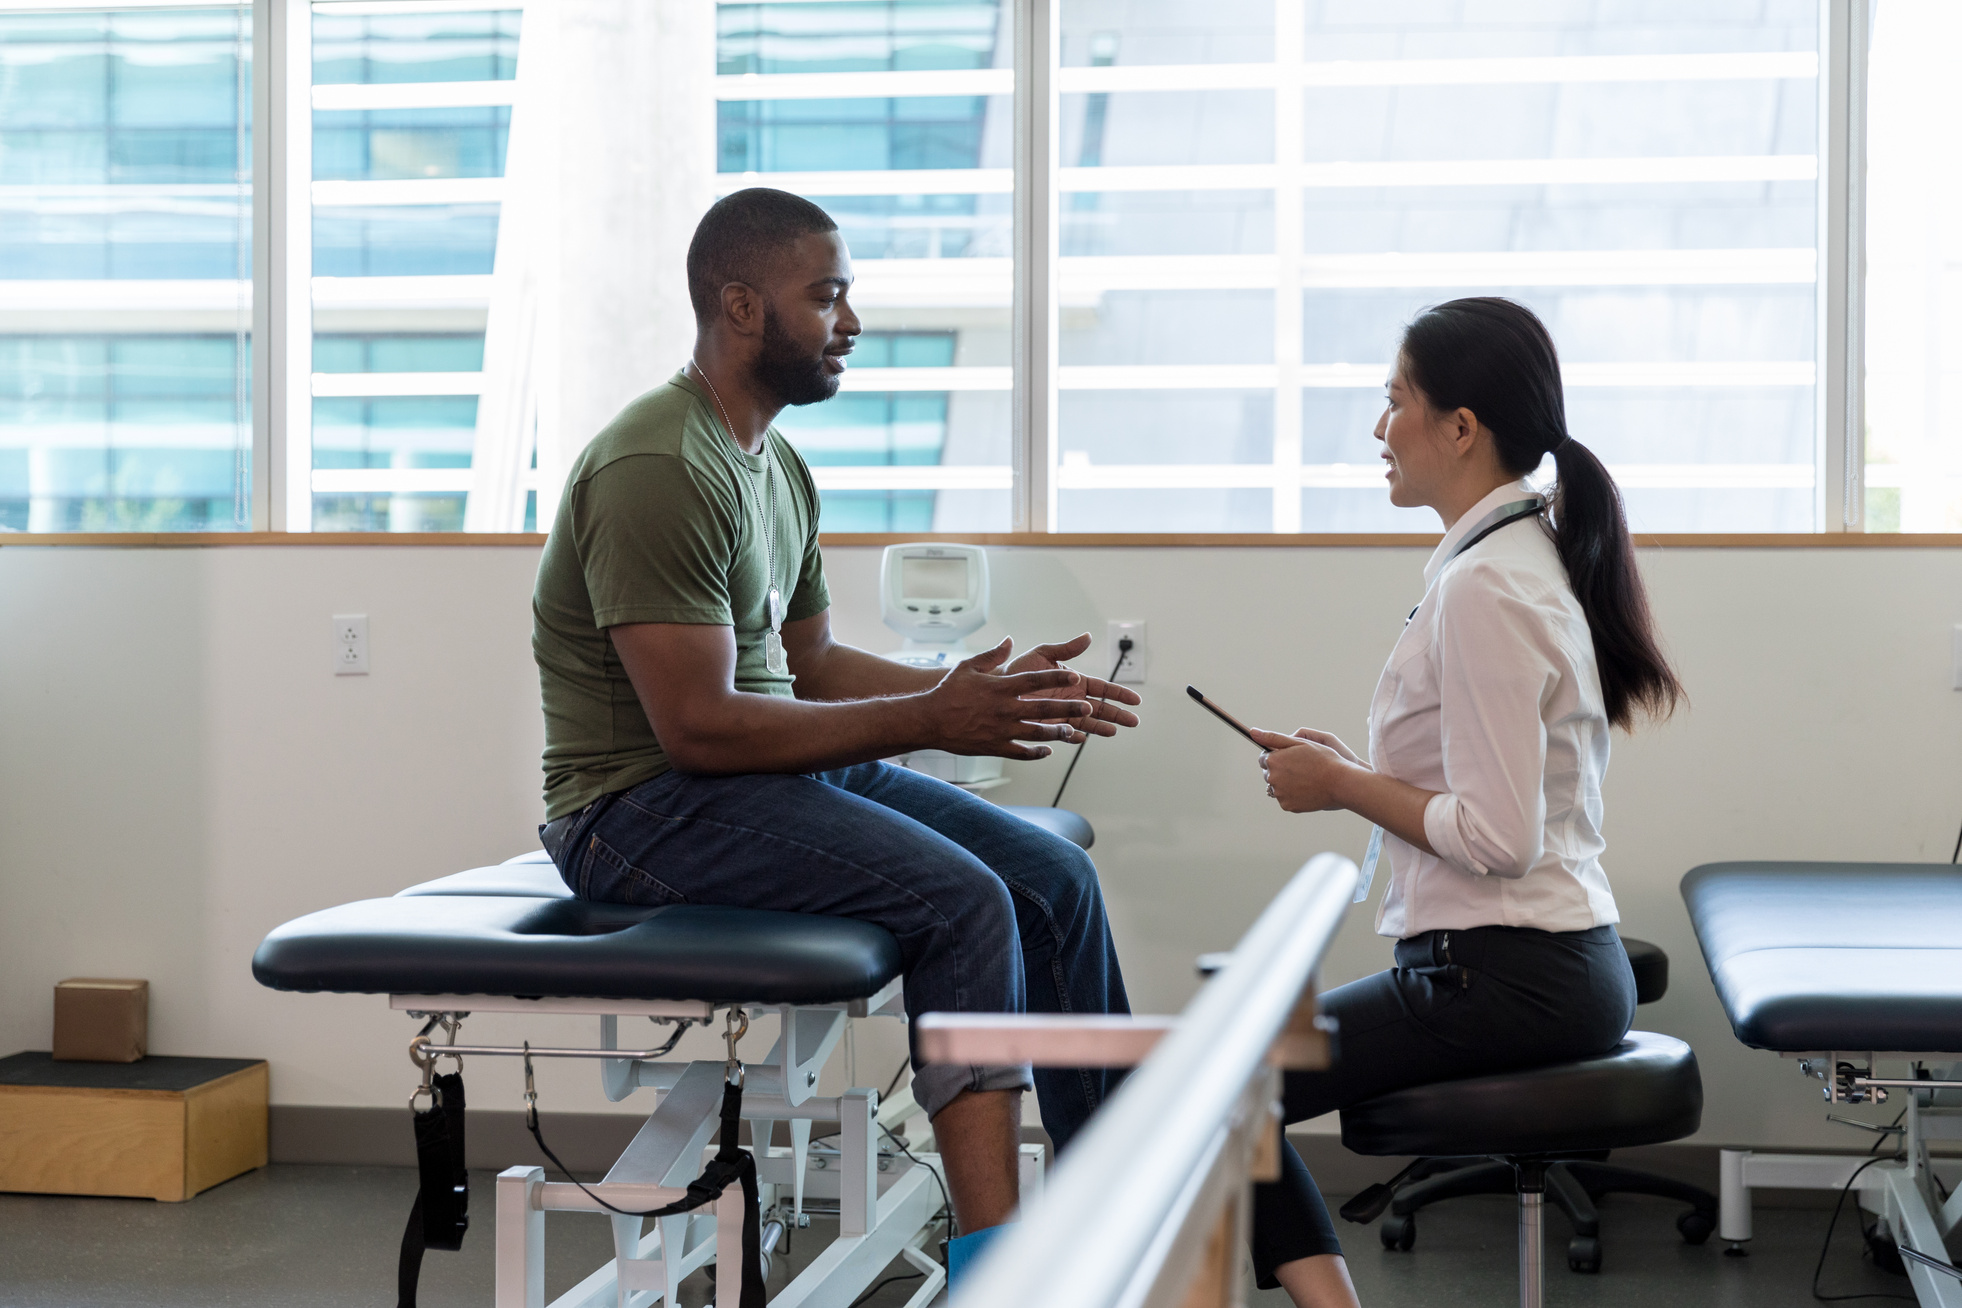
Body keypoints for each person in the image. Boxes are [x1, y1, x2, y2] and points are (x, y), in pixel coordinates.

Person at [529, 187, 1140, 1258]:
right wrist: (930, 715)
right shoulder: (658, 468)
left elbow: (807, 667)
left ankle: (1102, 1221)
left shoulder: (776, 465)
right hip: (636, 812)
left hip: (750, 782)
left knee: (1055, 883)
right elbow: (700, 733)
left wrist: (974, 694)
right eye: (828, 296)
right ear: (740, 305)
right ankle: (996, 1264)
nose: (850, 322)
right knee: (965, 907)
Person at [1245, 297, 1685, 1308]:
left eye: (1393, 400)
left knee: (1224, 1093)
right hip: (1544, 965)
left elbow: (1494, 836)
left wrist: (1344, 786)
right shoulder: (1513, 562)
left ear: (1459, 427)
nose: (1377, 428)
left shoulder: (1486, 587)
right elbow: (1485, 798)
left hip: (1504, 980)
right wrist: (1350, 774)